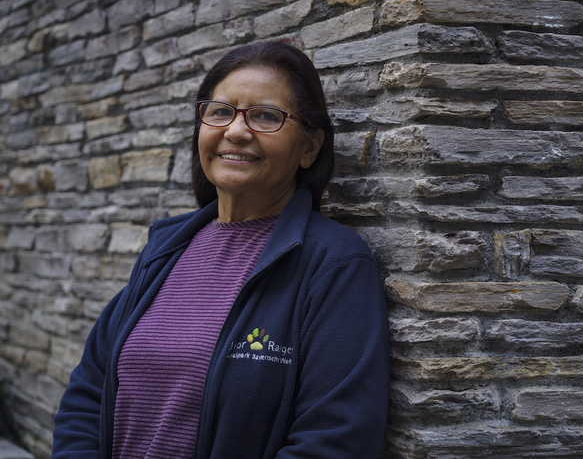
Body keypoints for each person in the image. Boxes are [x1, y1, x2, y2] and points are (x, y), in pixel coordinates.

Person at [52, 42, 390, 458]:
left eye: (266, 116)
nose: (236, 131)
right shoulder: (167, 249)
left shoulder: (334, 265)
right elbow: (87, 394)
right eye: (220, 111)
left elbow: (336, 440)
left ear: (310, 147)